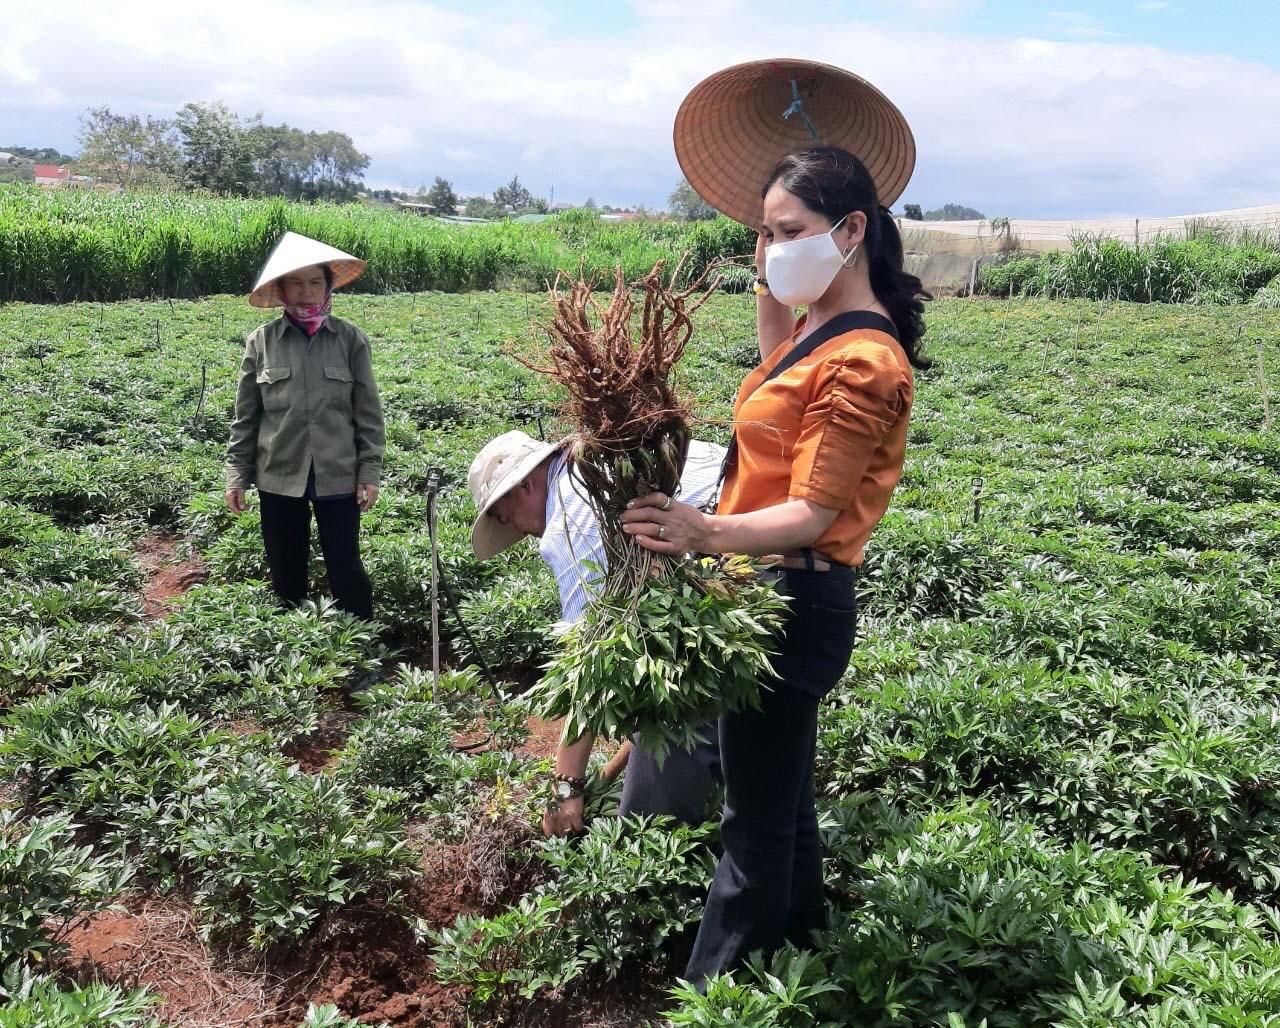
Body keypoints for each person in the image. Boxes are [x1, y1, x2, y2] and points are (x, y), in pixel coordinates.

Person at [620, 143, 931, 982]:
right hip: (768, 594)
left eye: (789, 231)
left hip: (793, 599)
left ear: (852, 230)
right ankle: (799, 964)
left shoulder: (862, 358)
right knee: (783, 808)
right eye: (762, 233)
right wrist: (772, 245)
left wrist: (703, 531)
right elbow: (771, 353)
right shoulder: (813, 333)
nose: (771, 247)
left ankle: (714, 998)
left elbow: (814, 513)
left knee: (752, 829)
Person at [466, 429, 725, 835]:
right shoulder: (599, 468)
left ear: (525, 486)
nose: (520, 533)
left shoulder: (571, 521)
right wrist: (610, 769)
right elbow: (640, 645)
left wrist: (566, 787)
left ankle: (655, 884)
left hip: (746, 588)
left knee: (645, 825)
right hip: (780, 570)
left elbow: (591, 660)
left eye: (505, 517)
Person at [225, 231, 385, 620]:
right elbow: (246, 417)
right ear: (281, 289)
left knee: (345, 566)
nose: (306, 292)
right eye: (295, 283)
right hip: (278, 474)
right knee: (285, 569)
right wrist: (236, 474)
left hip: (338, 475)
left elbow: (368, 413)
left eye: (315, 282)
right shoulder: (261, 342)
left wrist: (370, 472)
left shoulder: (349, 340)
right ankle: (295, 649)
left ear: (328, 287)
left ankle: (359, 647)